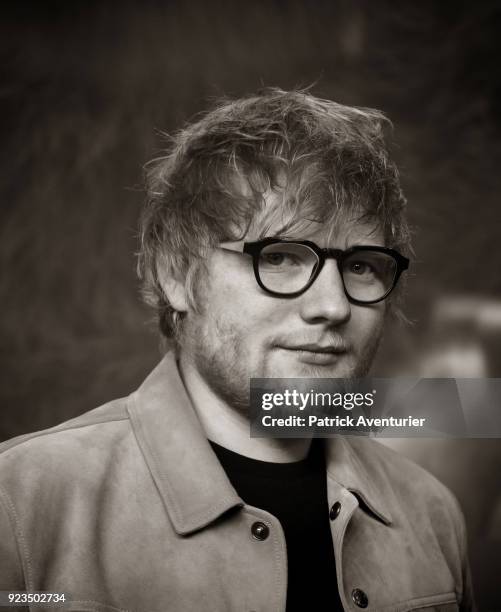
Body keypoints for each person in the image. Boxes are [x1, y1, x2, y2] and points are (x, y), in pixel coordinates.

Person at [0, 89, 474, 611]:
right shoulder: (19, 503)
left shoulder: (433, 514)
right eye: (280, 257)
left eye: (361, 266)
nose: (334, 306)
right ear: (177, 277)